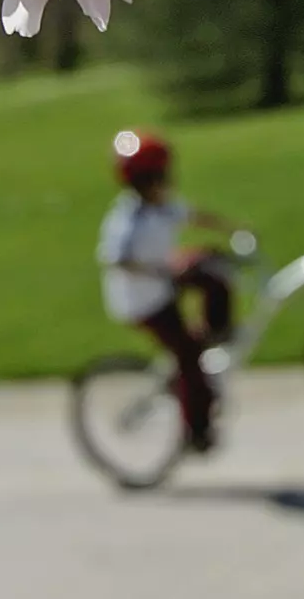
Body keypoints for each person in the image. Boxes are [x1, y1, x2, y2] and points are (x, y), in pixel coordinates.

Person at [95, 129, 240, 454]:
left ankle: (217, 330)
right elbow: (117, 260)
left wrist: (232, 230)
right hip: (143, 302)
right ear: (146, 181)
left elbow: (193, 215)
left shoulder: (162, 206)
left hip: (163, 283)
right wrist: (165, 271)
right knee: (189, 357)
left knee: (212, 268)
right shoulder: (128, 221)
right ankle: (197, 431)